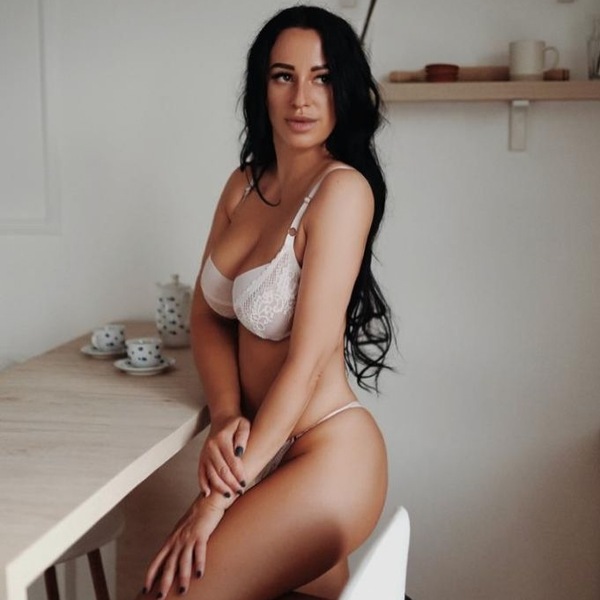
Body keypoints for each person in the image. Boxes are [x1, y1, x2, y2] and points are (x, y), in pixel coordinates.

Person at [140, 5, 394, 599]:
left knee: (168, 594)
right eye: (284, 76)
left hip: (324, 455)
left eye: (322, 78)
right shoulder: (244, 185)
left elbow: (307, 364)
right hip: (255, 449)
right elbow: (207, 314)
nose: (301, 98)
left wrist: (215, 499)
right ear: (262, 86)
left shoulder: (342, 191)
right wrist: (227, 413)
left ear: (343, 90)